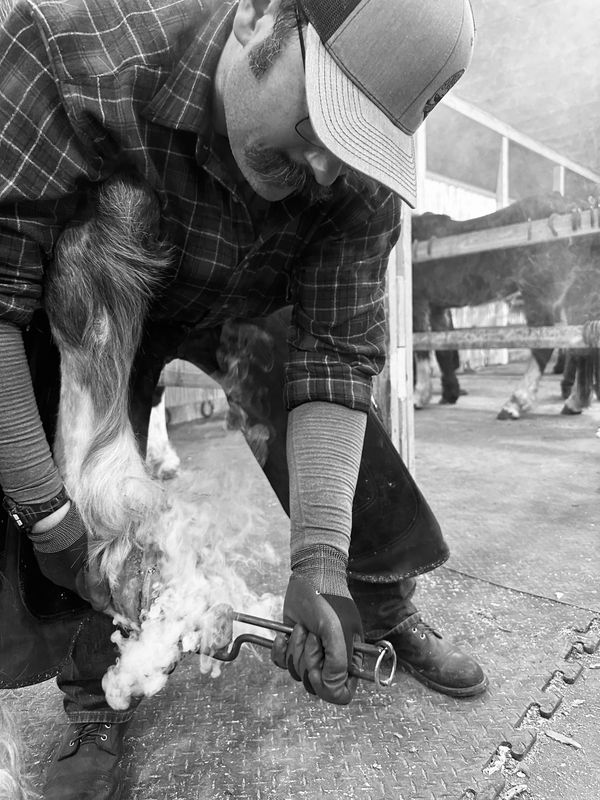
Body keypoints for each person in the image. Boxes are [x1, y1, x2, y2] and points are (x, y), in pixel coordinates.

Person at [0, 0, 485, 797]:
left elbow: (336, 354)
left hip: (248, 306)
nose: (327, 167)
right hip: (105, 298)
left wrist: (319, 560)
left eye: (361, 140)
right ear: (258, 15)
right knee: (84, 490)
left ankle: (378, 600)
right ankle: (95, 689)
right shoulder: (75, 49)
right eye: (322, 116)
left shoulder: (353, 184)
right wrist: (44, 509)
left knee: (314, 383)